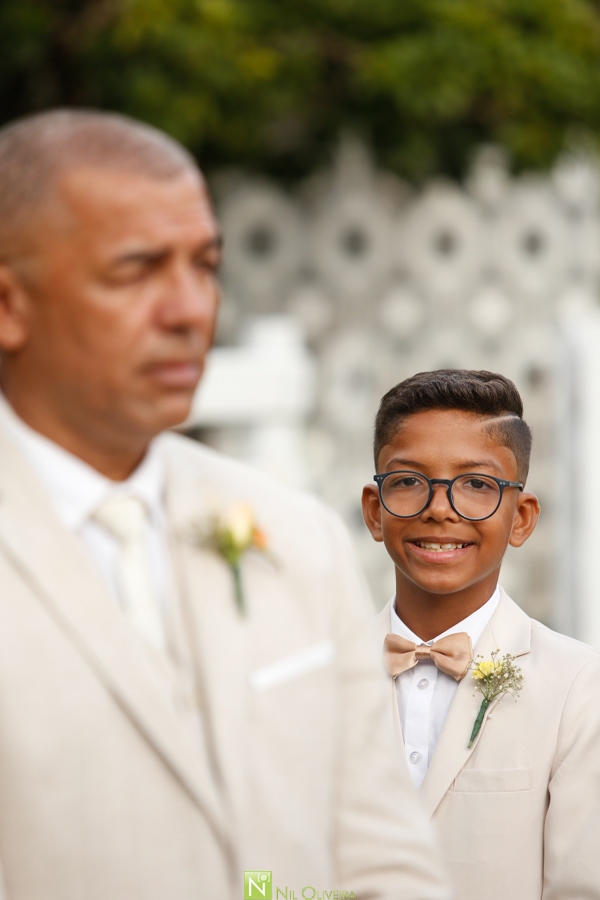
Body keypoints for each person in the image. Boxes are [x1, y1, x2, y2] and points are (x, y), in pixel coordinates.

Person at [0, 109, 449, 900]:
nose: (189, 310)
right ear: (10, 305)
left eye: (204, 265)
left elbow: (382, 854)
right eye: (136, 270)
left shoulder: (299, 534)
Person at [362, 368, 600, 900]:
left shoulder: (580, 690)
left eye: (477, 485)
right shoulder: (318, 680)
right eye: (407, 481)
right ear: (375, 512)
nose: (440, 507)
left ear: (521, 517)